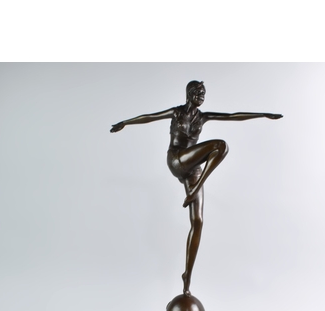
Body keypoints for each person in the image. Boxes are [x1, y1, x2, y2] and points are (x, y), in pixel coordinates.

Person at [111, 81, 282, 296]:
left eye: (204, 93)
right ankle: (195, 189)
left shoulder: (203, 117)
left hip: (193, 168)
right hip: (177, 160)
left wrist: (263, 115)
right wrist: (125, 123)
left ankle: (187, 278)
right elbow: (149, 117)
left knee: (198, 222)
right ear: (189, 94)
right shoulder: (176, 112)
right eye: (199, 92)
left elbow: (232, 116)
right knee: (220, 145)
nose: (202, 96)